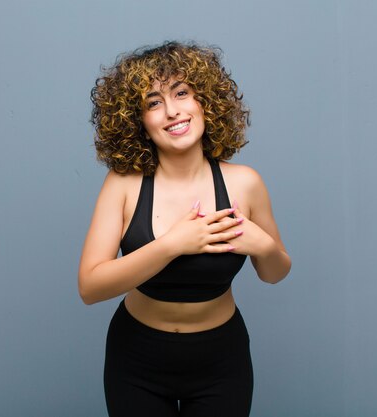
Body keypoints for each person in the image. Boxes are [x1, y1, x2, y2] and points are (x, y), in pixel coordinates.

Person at [79, 41, 291, 417]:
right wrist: (172, 244)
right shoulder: (123, 184)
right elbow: (91, 288)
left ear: (204, 102)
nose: (172, 111)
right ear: (138, 120)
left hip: (221, 361)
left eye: (181, 93)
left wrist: (263, 246)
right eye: (153, 102)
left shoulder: (245, 183)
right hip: (137, 358)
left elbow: (275, 273)